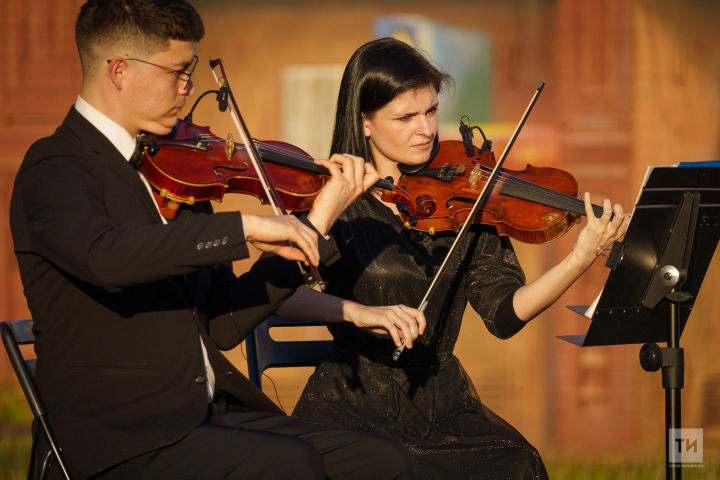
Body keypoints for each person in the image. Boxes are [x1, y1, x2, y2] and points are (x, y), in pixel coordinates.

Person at [10, 4, 426, 479]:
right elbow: (105, 257)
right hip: (119, 438)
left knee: (386, 463)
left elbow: (225, 321)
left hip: (205, 419)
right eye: (178, 73)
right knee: (292, 465)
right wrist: (244, 227)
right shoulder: (56, 166)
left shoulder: (172, 174)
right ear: (120, 70)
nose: (188, 90)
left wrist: (319, 219)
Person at [292, 37, 630, 480]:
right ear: (365, 122)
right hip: (351, 403)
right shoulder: (334, 202)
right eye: (406, 117)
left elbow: (504, 315)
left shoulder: (467, 197)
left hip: (439, 402)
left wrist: (578, 259)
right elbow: (287, 293)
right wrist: (361, 314)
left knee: (520, 463)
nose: (427, 129)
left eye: (431, 111)